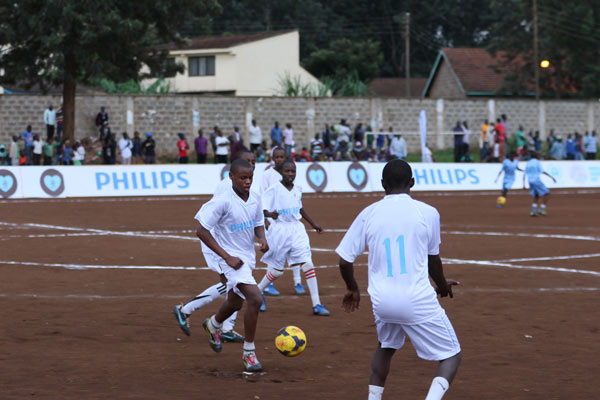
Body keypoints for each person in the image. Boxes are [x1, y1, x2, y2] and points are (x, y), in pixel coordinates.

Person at [335, 159, 461, 400]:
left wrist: (353, 288)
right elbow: (433, 260)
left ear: (382, 184)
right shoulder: (428, 212)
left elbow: (344, 260)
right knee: (452, 355)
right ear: (413, 183)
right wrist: (443, 286)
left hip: (382, 300)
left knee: (386, 346)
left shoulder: (369, 213)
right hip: (416, 299)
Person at [173, 151, 258, 345]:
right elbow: (217, 217)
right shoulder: (226, 187)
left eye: (254, 162)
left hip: (238, 247)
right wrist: (226, 255)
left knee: (233, 288)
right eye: (247, 162)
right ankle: (190, 311)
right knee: (232, 285)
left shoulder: (252, 185)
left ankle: (220, 325)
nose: (251, 165)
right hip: (220, 244)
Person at [195, 158, 269, 372]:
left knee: (235, 303)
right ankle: (249, 353)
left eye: (250, 178)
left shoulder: (255, 197)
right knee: (255, 298)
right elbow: (201, 230)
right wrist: (226, 257)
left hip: (246, 256)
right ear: (231, 177)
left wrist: (262, 238)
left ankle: (213, 324)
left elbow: (258, 223)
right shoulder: (222, 200)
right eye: (243, 178)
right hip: (228, 258)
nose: (247, 182)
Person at [257, 160, 330, 316]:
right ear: (281, 173)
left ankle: (317, 304)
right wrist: (269, 214)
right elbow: (260, 209)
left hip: (297, 230)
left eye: (293, 171)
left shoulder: (298, 188)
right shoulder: (273, 190)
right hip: (279, 231)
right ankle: (258, 292)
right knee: (277, 271)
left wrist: (313, 223)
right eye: (287, 171)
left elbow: (300, 208)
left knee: (308, 263)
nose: (290, 174)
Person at [524, 152, 557, 216]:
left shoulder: (528, 163)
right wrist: (551, 177)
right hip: (536, 180)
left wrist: (523, 185)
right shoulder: (537, 162)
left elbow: (524, 174)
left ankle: (533, 211)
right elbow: (542, 171)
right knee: (547, 193)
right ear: (536, 156)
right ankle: (542, 209)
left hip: (530, 181)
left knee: (536, 195)